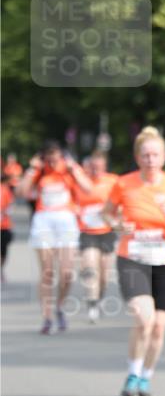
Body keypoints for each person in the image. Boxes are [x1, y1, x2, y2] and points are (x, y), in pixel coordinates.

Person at [101, 127, 165, 396]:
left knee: (159, 327)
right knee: (144, 318)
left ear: (164, 157)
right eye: (145, 155)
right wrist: (118, 225)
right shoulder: (124, 184)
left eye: (155, 155)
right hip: (133, 258)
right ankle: (132, 373)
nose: (150, 159)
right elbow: (107, 214)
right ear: (137, 157)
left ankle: (145, 377)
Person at [17, 141, 92, 334]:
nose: (52, 160)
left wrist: (74, 168)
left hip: (66, 220)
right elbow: (21, 192)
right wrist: (31, 170)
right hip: (44, 220)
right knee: (47, 272)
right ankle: (47, 316)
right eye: (48, 156)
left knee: (67, 272)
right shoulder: (40, 171)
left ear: (61, 155)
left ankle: (59, 306)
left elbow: (88, 188)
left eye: (55, 156)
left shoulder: (68, 169)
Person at [74, 150, 118, 322]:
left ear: (105, 166)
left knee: (104, 273)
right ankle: (92, 303)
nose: (95, 169)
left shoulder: (113, 181)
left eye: (99, 166)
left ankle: (99, 298)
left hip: (107, 232)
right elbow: (71, 201)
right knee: (90, 267)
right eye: (93, 166)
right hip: (87, 232)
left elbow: (121, 202)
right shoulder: (81, 183)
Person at [1, 172, 14, 282]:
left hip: (4, 226)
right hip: (5, 226)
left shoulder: (5, 190)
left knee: (3, 251)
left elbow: (9, 208)